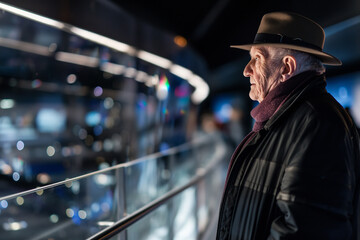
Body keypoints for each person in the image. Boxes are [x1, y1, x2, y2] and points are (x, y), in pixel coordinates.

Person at [216, 12, 360, 240]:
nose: (247, 70)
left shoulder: (317, 123)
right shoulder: (285, 119)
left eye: (257, 58)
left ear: (286, 68)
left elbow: (307, 232)